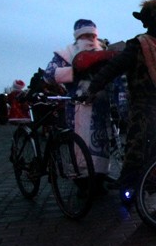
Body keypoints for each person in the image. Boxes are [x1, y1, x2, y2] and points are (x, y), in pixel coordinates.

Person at [86, 0, 156, 198]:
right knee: (137, 146)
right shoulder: (138, 45)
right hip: (144, 107)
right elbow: (115, 67)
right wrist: (94, 86)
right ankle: (129, 186)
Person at [45, 19, 116, 195]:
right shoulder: (66, 54)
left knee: (102, 143)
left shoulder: (103, 52)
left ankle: (99, 178)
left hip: (101, 107)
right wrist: (76, 70)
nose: (90, 39)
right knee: (80, 144)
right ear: (78, 36)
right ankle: (82, 181)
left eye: (93, 35)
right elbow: (49, 74)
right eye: (86, 35)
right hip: (77, 106)